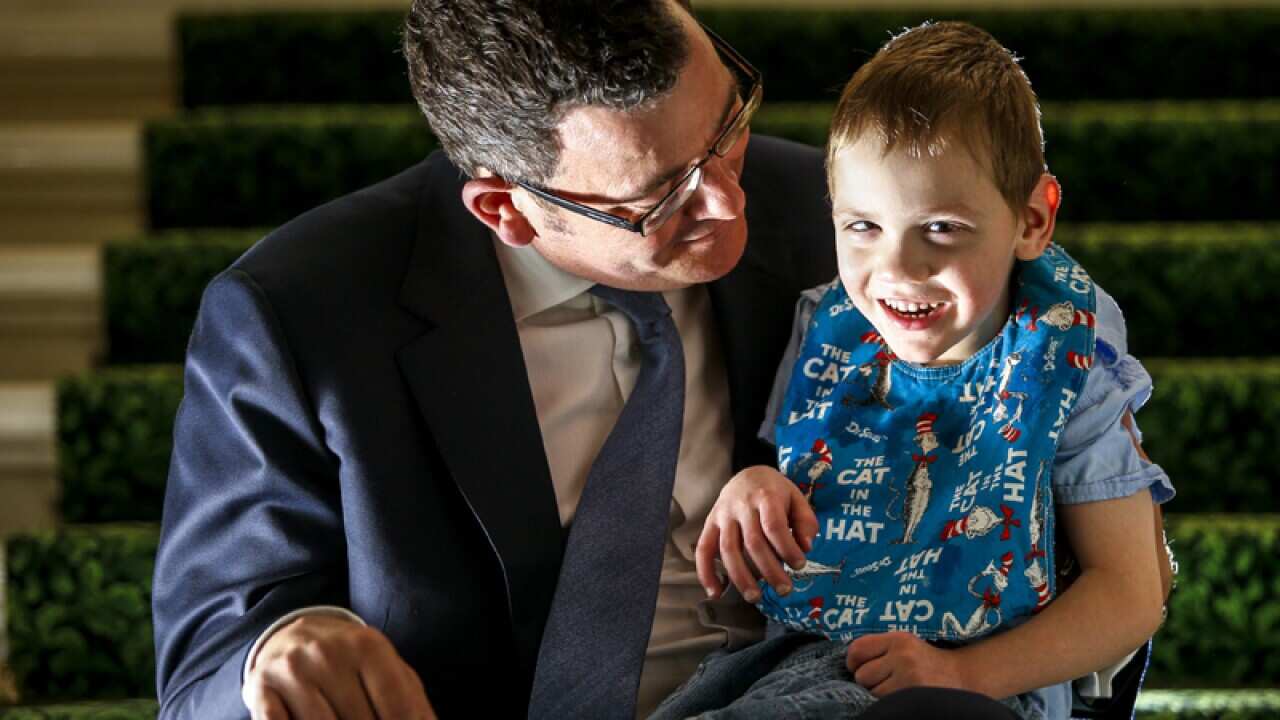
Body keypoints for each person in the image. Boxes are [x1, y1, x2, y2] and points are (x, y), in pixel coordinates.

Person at [151, 1, 844, 718]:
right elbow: (207, 662)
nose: (732, 203)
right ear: (503, 210)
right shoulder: (301, 313)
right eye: (661, 195)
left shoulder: (840, 216)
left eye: (729, 125)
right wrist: (280, 649)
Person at [652, 21, 1174, 720]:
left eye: (942, 228)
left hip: (981, 679)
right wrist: (757, 484)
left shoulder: (1066, 364)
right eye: (863, 227)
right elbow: (811, 466)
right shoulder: (829, 331)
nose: (897, 269)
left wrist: (965, 675)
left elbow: (1133, 591)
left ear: (1032, 221)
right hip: (794, 658)